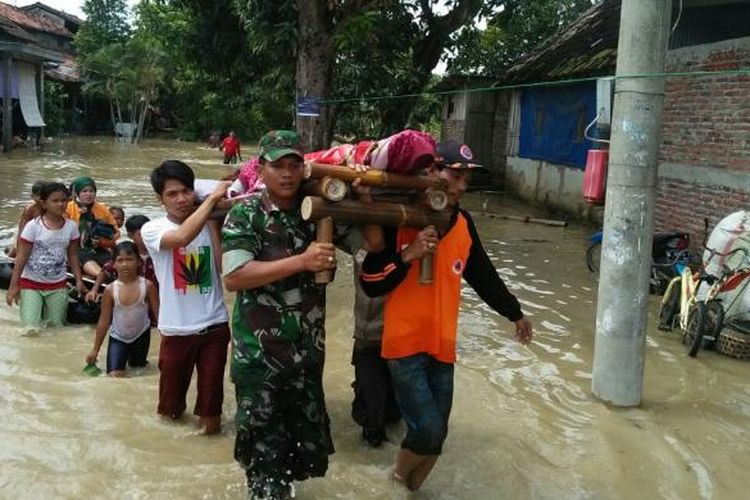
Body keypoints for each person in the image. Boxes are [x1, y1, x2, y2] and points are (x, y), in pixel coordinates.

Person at [360, 140, 534, 492]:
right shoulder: (400, 215)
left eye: (465, 179)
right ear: (430, 172)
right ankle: (394, 481)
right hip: (405, 345)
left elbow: (483, 276)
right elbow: (370, 282)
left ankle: (408, 491)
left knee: (438, 436)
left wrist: (514, 313)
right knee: (428, 429)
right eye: (454, 175)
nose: (461, 186)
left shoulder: (463, 223)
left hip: (443, 345)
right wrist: (408, 254)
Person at [222, 130, 336, 499]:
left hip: (306, 359)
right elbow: (235, 276)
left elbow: (371, 249)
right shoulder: (246, 213)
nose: (286, 173)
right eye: (277, 166)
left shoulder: (318, 210)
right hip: (261, 361)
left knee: (299, 456)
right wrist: (302, 261)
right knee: (264, 463)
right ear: (262, 169)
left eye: (294, 165)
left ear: (304, 169)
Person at [141, 160, 231, 435]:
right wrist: (213, 198)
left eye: (186, 191)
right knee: (169, 410)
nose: (181, 199)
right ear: (160, 199)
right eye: (172, 194)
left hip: (215, 326)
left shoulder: (208, 223)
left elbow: (221, 268)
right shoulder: (153, 229)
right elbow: (180, 238)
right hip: (177, 330)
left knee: (211, 411)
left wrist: (214, 220)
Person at [339, 227, 400, 447]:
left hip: (406, 336)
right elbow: (335, 227)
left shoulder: (417, 230)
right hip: (371, 333)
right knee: (373, 420)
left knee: (395, 414)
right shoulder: (357, 229)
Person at [5, 182, 86, 329]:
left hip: (58, 285)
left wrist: (79, 280)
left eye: (64, 200)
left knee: (56, 327)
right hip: (30, 284)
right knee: (30, 328)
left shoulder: (71, 227)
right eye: (55, 201)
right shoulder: (33, 226)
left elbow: (73, 256)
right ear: (44, 203)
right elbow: (22, 257)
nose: (61, 204)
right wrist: (13, 286)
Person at [85, 241, 159, 377]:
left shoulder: (148, 286)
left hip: (141, 336)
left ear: (138, 262)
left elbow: (159, 316)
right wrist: (95, 350)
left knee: (140, 371)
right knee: (114, 376)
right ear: (114, 264)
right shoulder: (110, 290)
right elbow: (104, 321)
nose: (125, 264)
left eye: (130, 260)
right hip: (118, 337)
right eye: (120, 260)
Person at [65, 176, 120, 279]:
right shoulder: (67, 208)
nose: (88, 194)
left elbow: (116, 233)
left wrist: (102, 241)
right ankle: (101, 277)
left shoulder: (102, 209)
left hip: (99, 248)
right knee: (98, 271)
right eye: (84, 191)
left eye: (91, 191)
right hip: (75, 249)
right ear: (77, 193)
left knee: (115, 268)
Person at [6, 180, 47, 258]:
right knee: (14, 252)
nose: (42, 199)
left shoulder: (51, 206)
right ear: (32, 196)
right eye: (39, 196)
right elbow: (21, 231)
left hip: (42, 233)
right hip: (26, 230)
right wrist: (19, 252)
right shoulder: (30, 209)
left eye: (45, 196)